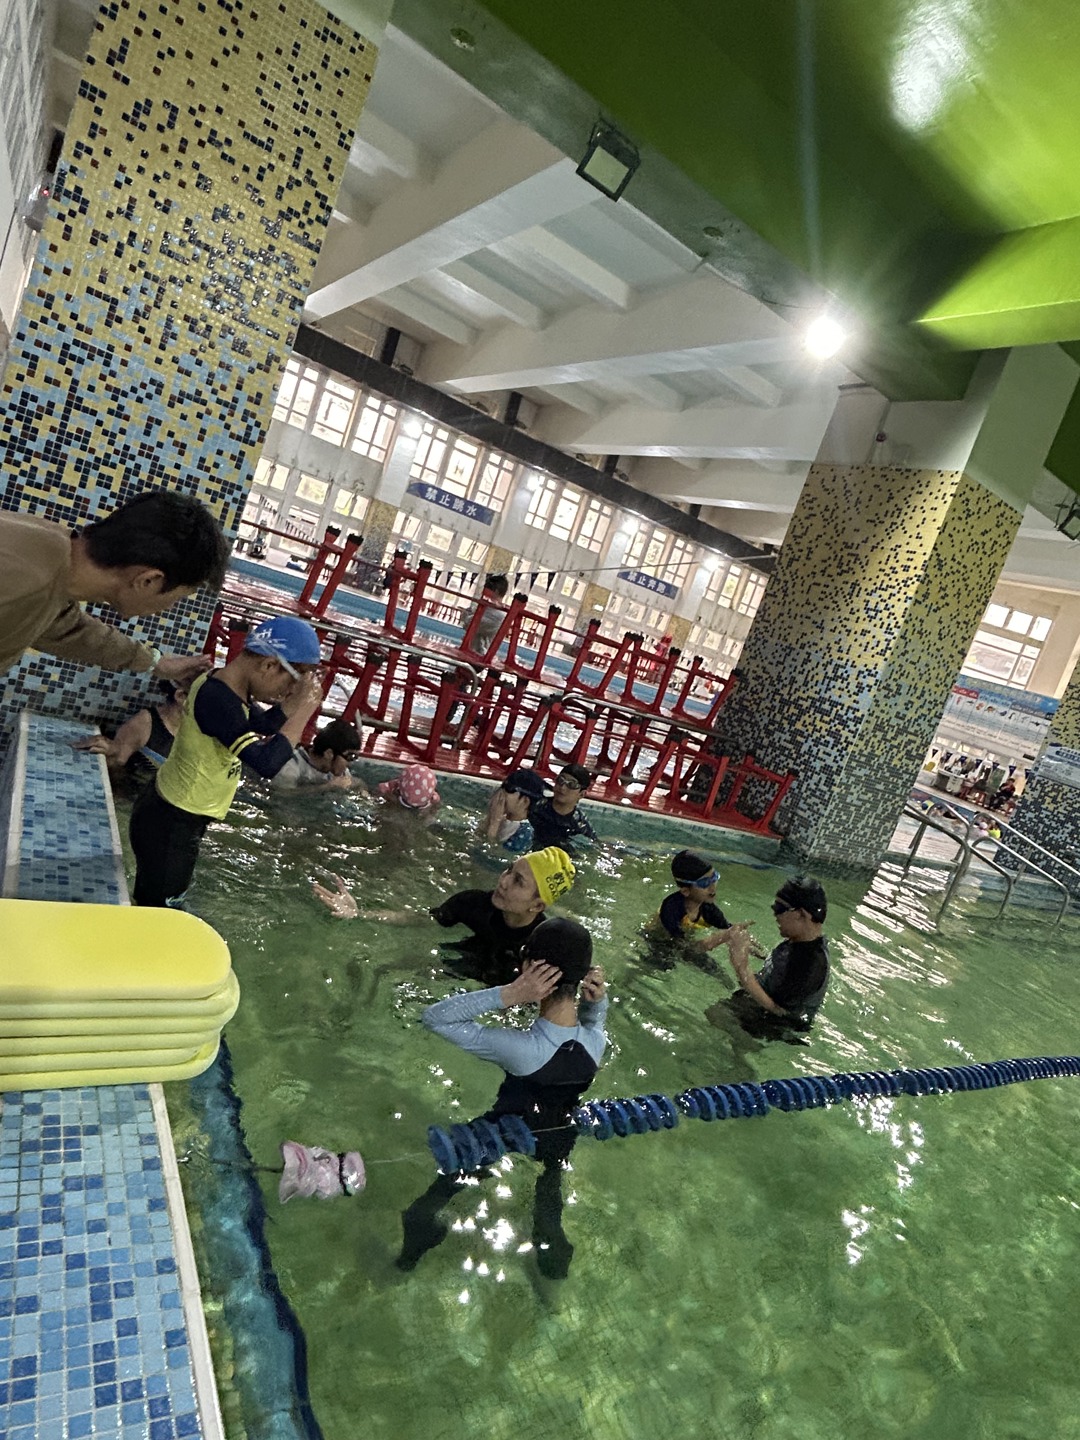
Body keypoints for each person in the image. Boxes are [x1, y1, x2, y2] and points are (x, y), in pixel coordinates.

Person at [398, 917, 607, 1279]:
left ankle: (406, 1261)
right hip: (559, 1135)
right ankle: (552, 1271)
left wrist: (510, 993)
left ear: (529, 969)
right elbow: (594, 1021)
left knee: (430, 1202)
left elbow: (435, 1019)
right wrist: (597, 1003)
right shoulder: (595, 1043)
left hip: (503, 1130)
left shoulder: (524, 1050)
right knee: (549, 1204)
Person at [129, 616, 324, 907]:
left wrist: (291, 705)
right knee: (160, 911)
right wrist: (304, 711)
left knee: (159, 903)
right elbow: (266, 764)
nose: (287, 692)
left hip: (175, 814)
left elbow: (263, 725)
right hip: (171, 823)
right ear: (269, 665)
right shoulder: (218, 699)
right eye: (290, 682)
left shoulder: (227, 686)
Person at [0, 490, 229, 685]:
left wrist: (155, 662)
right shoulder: (25, 580)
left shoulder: (52, 558)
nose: (168, 608)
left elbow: (67, 628)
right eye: (178, 598)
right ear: (148, 580)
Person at [724, 876, 830, 1036]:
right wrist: (760, 955)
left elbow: (780, 1012)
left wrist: (741, 966)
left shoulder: (811, 964)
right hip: (754, 1016)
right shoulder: (802, 943)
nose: (775, 913)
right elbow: (786, 975)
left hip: (763, 1029)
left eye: (780, 908)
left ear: (802, 914)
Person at [643, 849, 755, 971]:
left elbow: (728, 929)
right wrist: (722, 937)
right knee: (661, 966)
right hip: (658, 941)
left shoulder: (708, 910)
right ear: (686, 891)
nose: (712, 887)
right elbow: (685, 948)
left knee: (716, 970)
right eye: (705, 883)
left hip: (684, 941)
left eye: (714, 877)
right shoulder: (671, 909)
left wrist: (744, 941)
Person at [73, 680, 188, 785]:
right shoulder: (146, 722)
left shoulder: (194, 734)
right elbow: (117, 760)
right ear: (181, 696)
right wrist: (110, 750)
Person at [271, 717, 365, 792]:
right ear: (329, 754)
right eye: (349, 757)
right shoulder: (292, 765)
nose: (350, 763)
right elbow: (282, 794)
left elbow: (359, 783)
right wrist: (327, 787)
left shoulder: (337, 770)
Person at [529, 764, 598, 850]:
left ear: (581, 794)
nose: (563, 787)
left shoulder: (579, 825)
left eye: (571, 784)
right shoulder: (536, 807)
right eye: (560, 780)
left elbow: (593, 847)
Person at [480, 768, 548, 853]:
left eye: (509, 789)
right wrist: (491, 816)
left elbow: (491, 854)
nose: (501, 793)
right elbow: (478, 838)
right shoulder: (502, 819)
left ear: (525, 801)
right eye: (502, 787)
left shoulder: (525, 832)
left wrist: (494, 823)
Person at [462, 573, 509, 652]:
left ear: (496, 591)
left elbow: (469, 623)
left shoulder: (498, 615)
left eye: (487, 587)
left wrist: (468, 615)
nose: (483, 590)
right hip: (472, 648)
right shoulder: (488, 608)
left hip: (479, 652)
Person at [375, 763, 440, 817]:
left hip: (397, 808)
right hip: (421, 814)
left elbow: (381, 788)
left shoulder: (394, 794)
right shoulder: (433, 799)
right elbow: (436, 803)